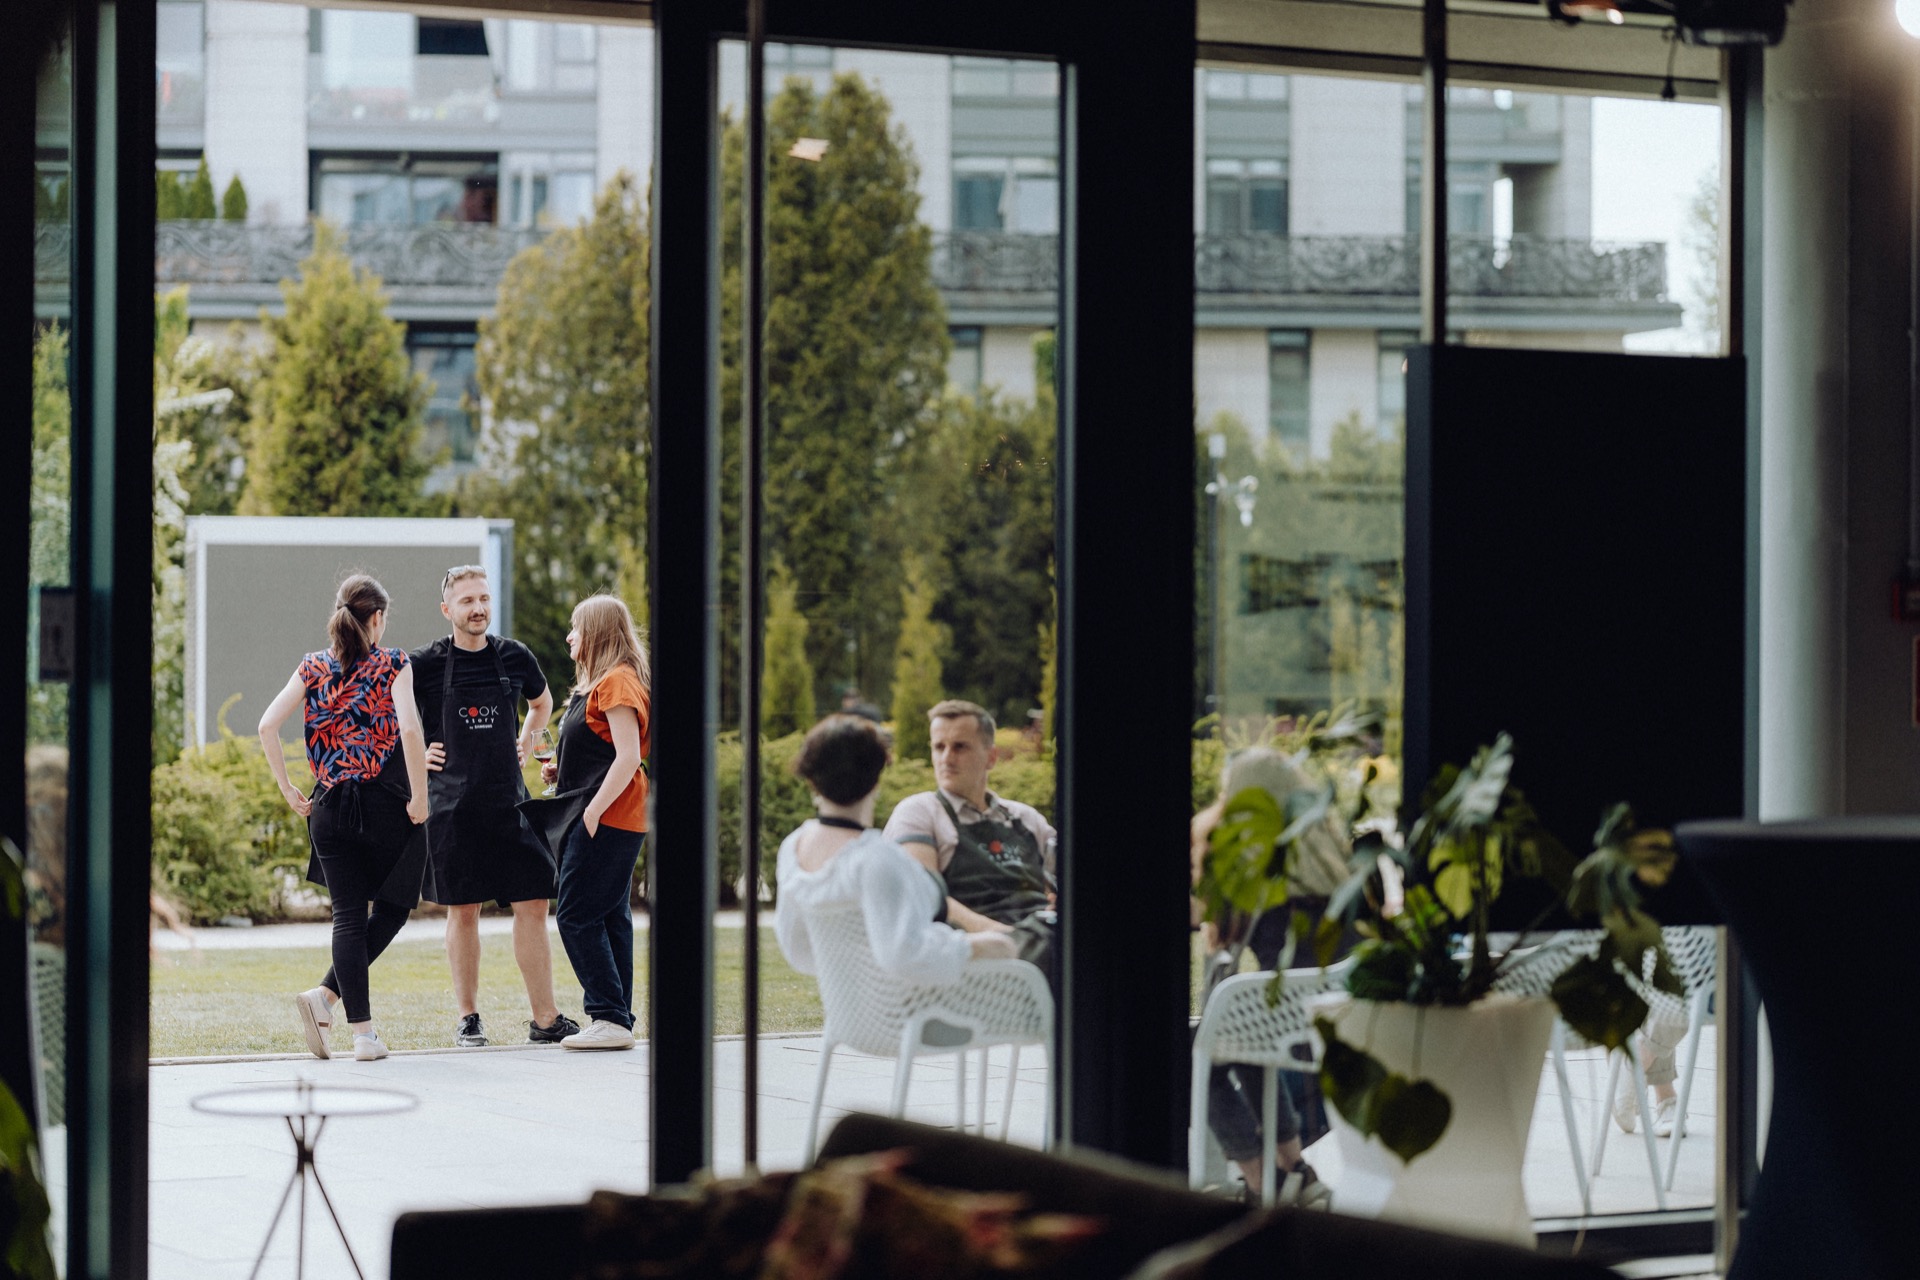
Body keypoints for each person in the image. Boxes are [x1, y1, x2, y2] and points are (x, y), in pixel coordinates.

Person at [258, 574, 429, 1062]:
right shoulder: (394, 662)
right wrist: (420, 797)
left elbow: (268, 725)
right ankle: (340, 1012)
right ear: (377, 619)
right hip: (379, 803)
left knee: (348, 917)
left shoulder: (312, 667)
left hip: (328, 805)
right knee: (394, 906)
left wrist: (289, 788)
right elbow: (411, 731)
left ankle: (356, 1030)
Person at [411, 565, 577, 1048]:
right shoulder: (425, 664)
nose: (478, 607)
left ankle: (545, 1021)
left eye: (483, 598)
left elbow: (543, 704)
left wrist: (527, 739)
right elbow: (383, 715)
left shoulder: (514, 656)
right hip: (452, 809)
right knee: (463, 910)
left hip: (509, 802)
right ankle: (469, 1020)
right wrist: (415, 755)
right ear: (448, 610)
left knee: (533, 902)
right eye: (467, 601)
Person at [1188, 746, 1351, 1207]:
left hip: (1280, 1024)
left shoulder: (1248, 861)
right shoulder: (1330, 854)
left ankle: (1262, 1185)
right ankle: (1296, 1171)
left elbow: (1217, 942)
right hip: (1329, 1027)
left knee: (1193, 1055)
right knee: (1240, 1044)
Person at [775, 714, 1016, 993]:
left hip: (851, 1011)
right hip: (916, 1015)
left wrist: (854, 968)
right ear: (876, 779)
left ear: (812, 780)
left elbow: (798, 950)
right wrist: (980, 946)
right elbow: (907, 954)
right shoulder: (877, 858)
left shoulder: (793, 848)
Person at [537, 594, 650, 1050]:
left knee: (576, 914)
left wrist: (592, 811)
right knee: (609, 915)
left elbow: (628, 757)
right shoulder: (600, 683)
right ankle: (618, 1017)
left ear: (598, 634)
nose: (569, 636)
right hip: (607, 813)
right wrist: (560, 771)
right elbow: (603, 752)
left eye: (576, 628)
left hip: (609, 816)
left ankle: (607, 1015)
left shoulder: (618, 682)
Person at [881, 700, 1057, 970]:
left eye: (959, 747)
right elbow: (925, 896)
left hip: (1043, 937)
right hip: (978, 959)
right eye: (939, 747)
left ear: (991, 757)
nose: (946, 758)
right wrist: (1008, 939)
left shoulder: (1025, 818)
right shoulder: (919, 812)